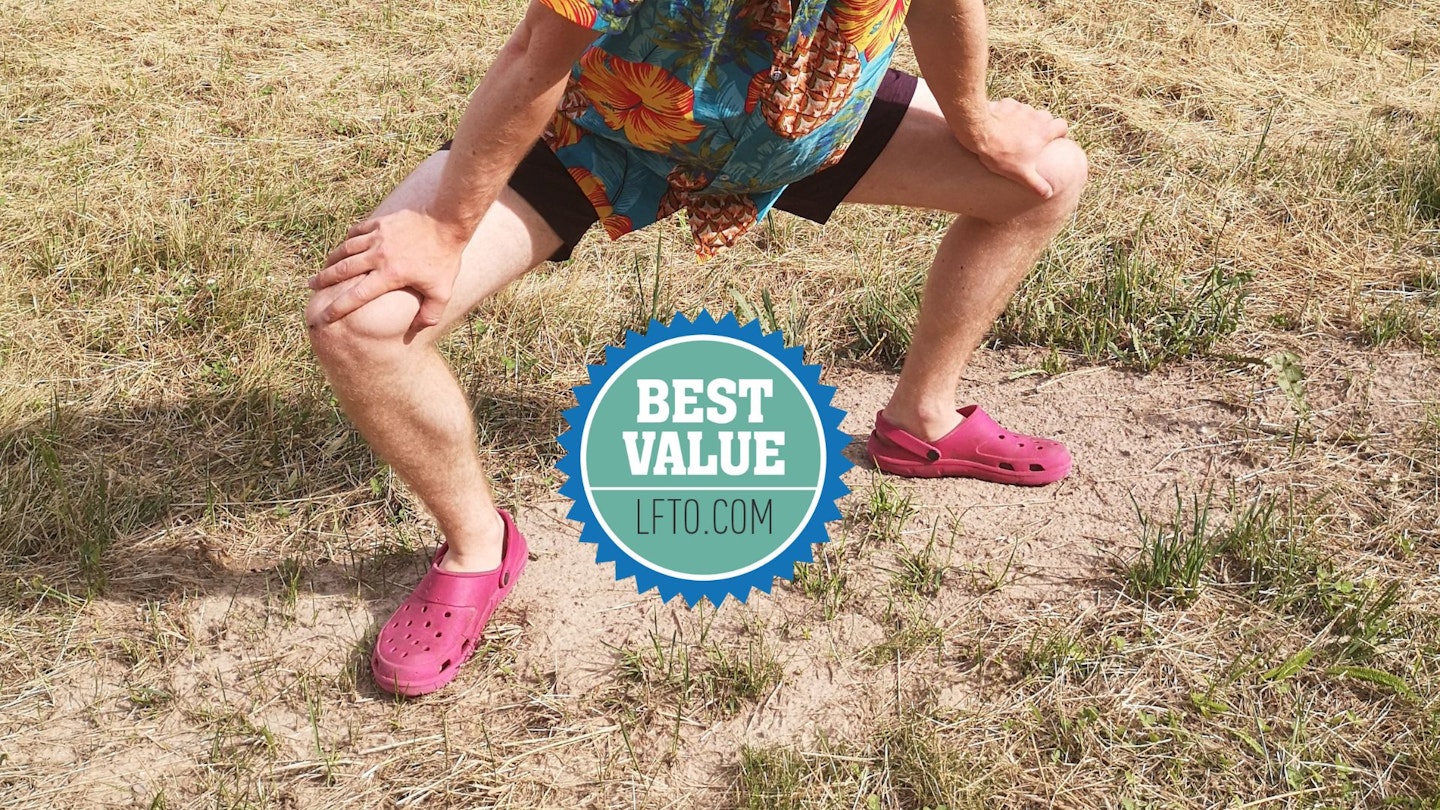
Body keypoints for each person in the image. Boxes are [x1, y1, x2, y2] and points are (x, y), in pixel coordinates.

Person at [305, 0, 1086, 696]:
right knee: (362, 323)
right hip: (605, 129)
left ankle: (923, 419)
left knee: (1046, 175)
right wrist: (445, 228)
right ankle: (480, 547)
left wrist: (975, 117)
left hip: (800, 123)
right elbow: (538, 47)